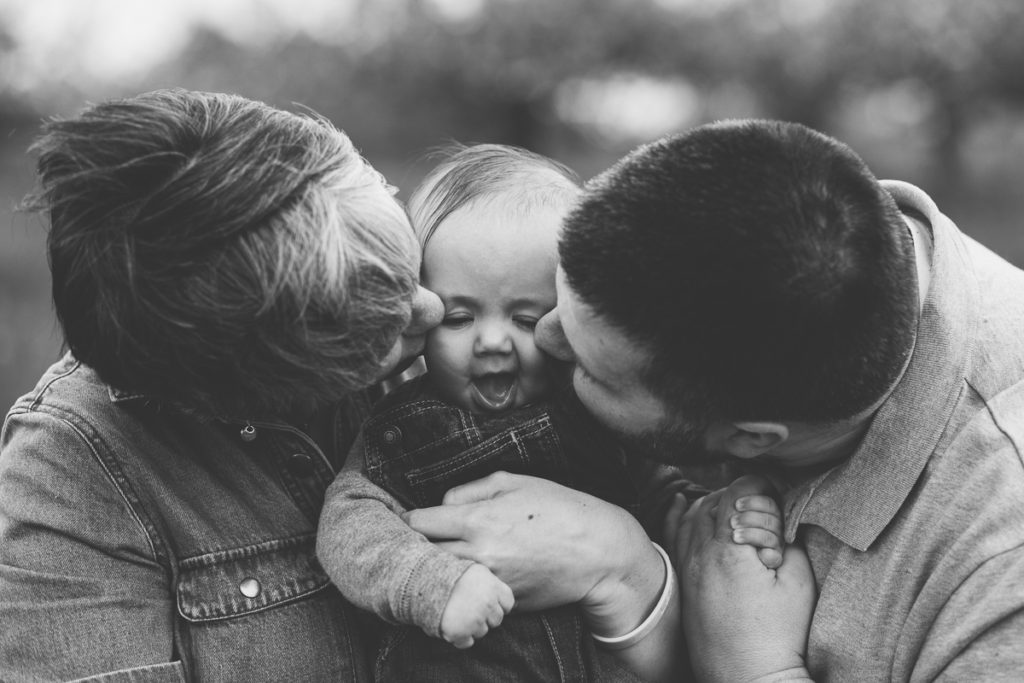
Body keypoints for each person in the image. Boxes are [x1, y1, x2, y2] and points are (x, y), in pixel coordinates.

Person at [404, 119, 1024, 681]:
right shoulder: (739, 226)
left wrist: (755, 667)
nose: (540, 339)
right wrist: (627, 570)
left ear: (750, 440)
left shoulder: (997, 569)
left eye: (589, 366)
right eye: (554, 300)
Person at [0, 88, 451, 682]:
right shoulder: (70, 478)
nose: (435, 309)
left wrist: (614, 561)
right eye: (378, 333)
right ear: (243, 390)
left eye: (408, 269)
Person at [316, 143, 786, 682]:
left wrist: (720, 520)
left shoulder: (600, 409)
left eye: (525, 317)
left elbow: (660, 500)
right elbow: (350, 526)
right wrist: (431, 584)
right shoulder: (400, 429)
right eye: (460, 317)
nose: (492, 342)